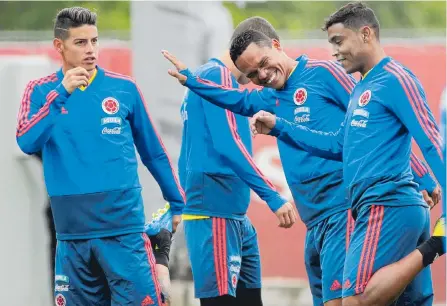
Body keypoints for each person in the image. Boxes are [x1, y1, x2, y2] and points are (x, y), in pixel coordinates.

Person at [162, 18, 439, 306]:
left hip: (342, 211)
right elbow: (235, 100)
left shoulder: (325, 74)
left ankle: (435, 245)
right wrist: (192, 81)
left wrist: (423, 176)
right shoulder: (269, 97)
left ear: (277, 46)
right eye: (253, 74)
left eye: (264, 63)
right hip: (313, 221)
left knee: (353, 301)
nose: (263, 75)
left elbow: (378, 128)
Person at [248, 2, 445, 305]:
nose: (335, 51)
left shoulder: (395, 77)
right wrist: (280, 128)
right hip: (380, 207)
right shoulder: (360, 90)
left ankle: (436, 245)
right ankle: (434, 245)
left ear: (366, 34)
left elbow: (431, 143)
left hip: (387, 205)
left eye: (339, 41)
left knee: (353, 299)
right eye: (331, 44)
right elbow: (337, 145)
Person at [16, 7, 185, 306]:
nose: (91, 50)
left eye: (94, 41)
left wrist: (177, 202)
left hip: (124, 232)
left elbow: (154, 152)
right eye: (81, 43)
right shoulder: (41, 91)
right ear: (60, 46)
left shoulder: (123, 88)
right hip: (71, 238)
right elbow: (27, 142)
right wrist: (62, 93)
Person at [173, 17, 297, 306]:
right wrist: (273, 197)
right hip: (215, 211)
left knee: (250, 299)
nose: (259, 75)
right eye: (255, 67)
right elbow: (228, 146)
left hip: (231, 212)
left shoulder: (216, 81)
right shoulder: (215, 76)